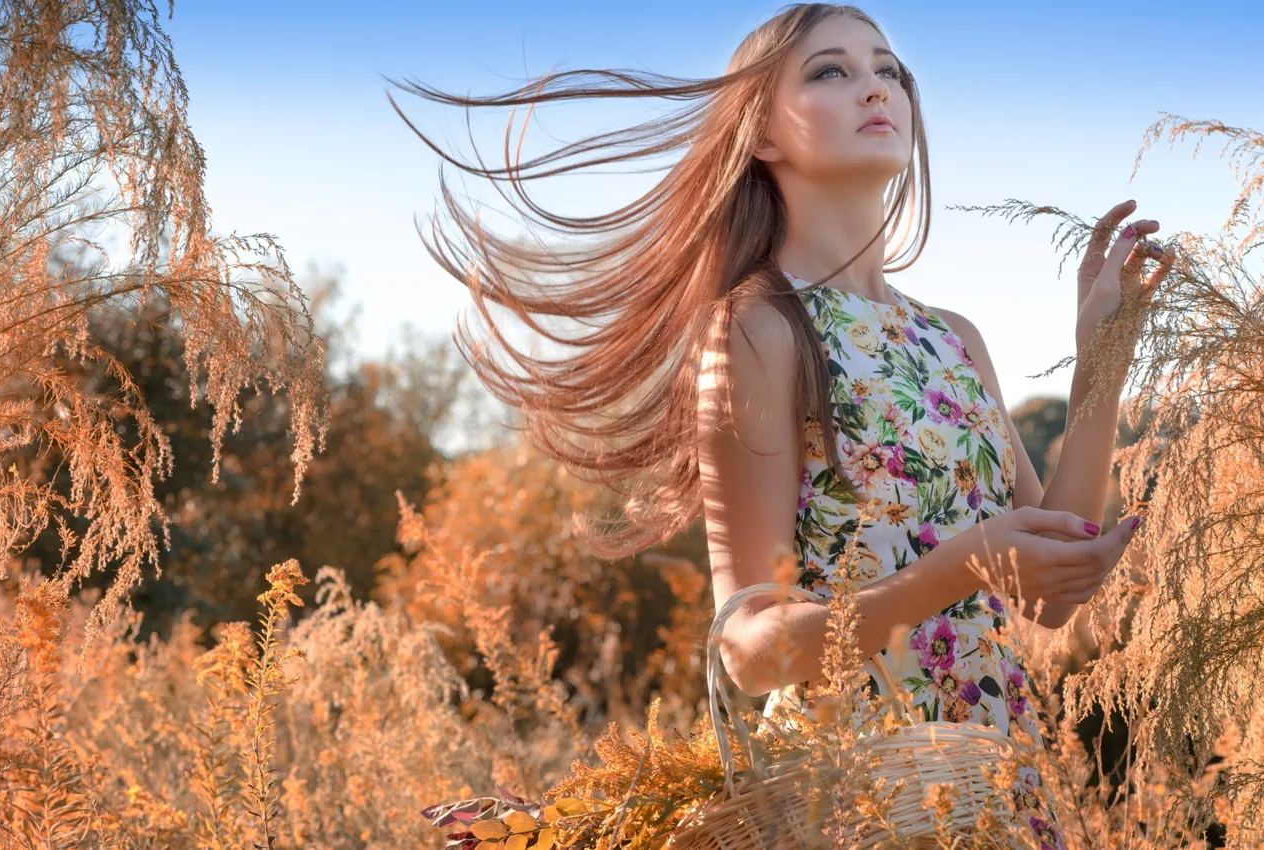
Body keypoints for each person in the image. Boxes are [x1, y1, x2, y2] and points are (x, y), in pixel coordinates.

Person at [389, 3, 1174, 846]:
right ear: (762, 133)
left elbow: (1047, 596)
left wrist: (1102, 359)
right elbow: (751, 650)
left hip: (994, 778)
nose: (875, 86)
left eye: (889, 70)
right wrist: (961, 567)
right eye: (831, 70)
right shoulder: (760, 330)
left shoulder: (954, 337)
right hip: (855, 794)